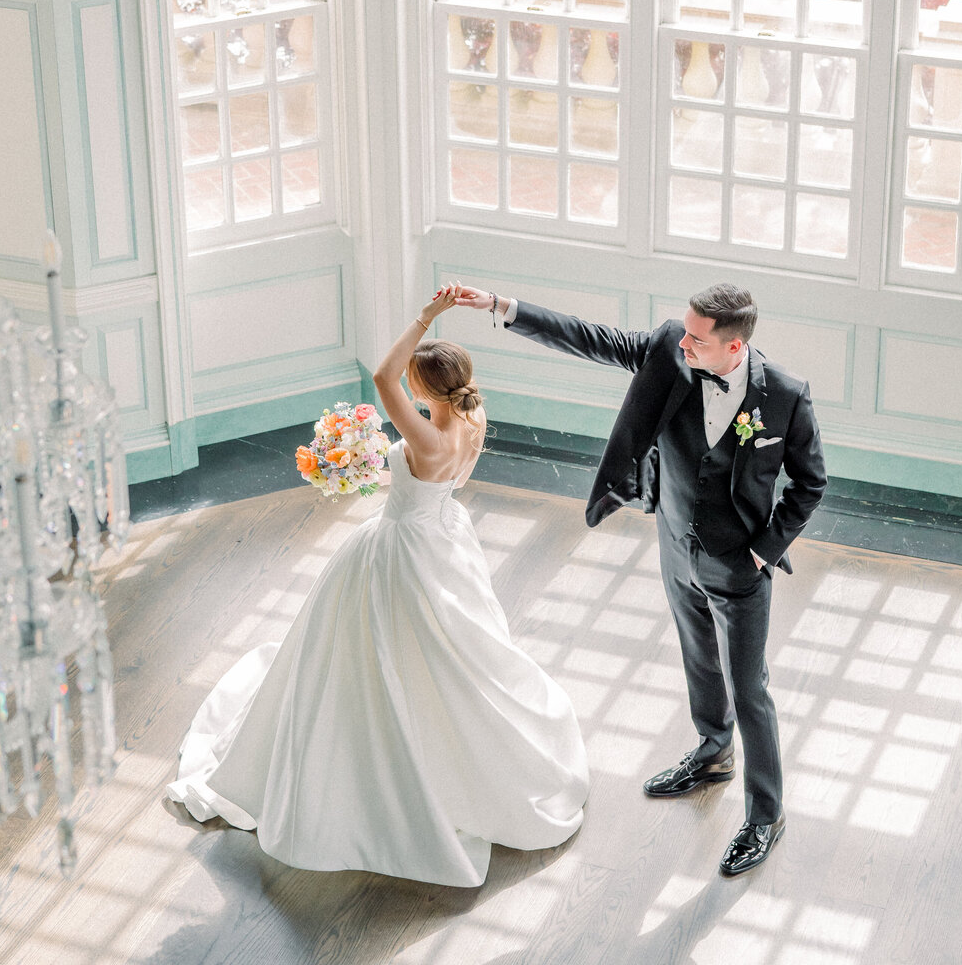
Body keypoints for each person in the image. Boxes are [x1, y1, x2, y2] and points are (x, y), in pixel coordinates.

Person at [167, 285, 588, 887]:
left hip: (402, 549)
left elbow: (383, 376)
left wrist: (428, 316)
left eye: (416, 384)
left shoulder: (425, 436)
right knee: (451, 651)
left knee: (375, 647)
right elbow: (428, 453)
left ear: (424, 390)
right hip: (444, 537)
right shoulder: (471, 416)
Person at [453, 281, 826, 876]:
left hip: (739, 563)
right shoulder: (669, 352)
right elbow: (589, 338)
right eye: (683, 330)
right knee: (698, 656)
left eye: (697, 338)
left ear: (735, 348)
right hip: (676, 545)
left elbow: (810, 483)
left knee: (749, 685)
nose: (683, 342)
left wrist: (762, 551)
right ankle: (712, 751)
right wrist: (503, 307)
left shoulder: (784, 396)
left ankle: (765, 814)